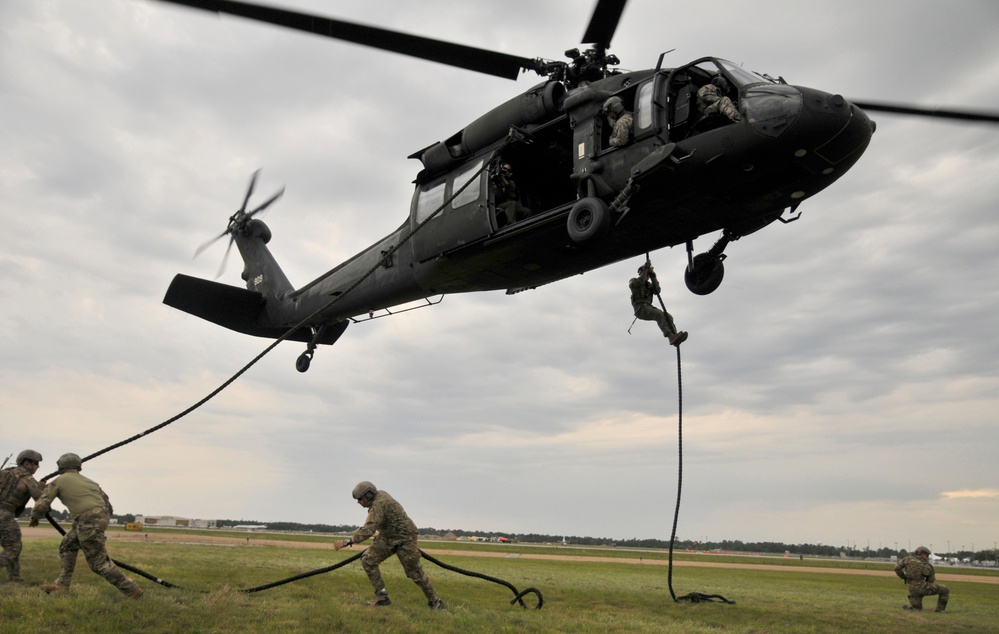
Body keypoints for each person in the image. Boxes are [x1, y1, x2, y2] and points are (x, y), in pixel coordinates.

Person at [29, 453, 142, 599]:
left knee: (98, 562)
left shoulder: (58, 481)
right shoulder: (90, 482)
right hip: (96, 516)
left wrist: (35, 517)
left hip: (87, 519)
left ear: (60, 466)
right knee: (67, 546)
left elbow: (42, 504)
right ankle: (62, 585)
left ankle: (131, 590)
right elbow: (107, 503)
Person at [334, 481, 444, 609]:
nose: (358, 502)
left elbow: (369, 529)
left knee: (414, 572)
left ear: (369, 496)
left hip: (405, 538)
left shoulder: (379, 505)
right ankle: (382, 596)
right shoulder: (378, 497)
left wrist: (348, 541)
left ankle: (436, 601)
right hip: (387, 537)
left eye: (360, 499)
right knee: (368, 560)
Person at [0, 450, 45, 582]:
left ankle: (14, 577)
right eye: (36, 463)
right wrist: (42, 488)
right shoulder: (27, 478)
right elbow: (40, 499)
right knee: (14, 547)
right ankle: (14, 576)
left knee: (12, 544)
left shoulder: (6, 473)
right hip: (4, 514)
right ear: (27, 463)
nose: (38, 467)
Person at [630, 261, 687, 346]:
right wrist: (646, 268)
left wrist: (653, 275)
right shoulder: (634, 281)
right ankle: (670, 336)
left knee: (668, 316)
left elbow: (657, 290)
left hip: (648, 307)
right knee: (659, 315)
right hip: (640, 308)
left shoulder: (648, 285)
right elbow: (641, 281)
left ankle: (674, 336)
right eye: (646, 274)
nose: (647, 276)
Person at [894, 546, 949, 611]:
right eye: (927, 555)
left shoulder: (907, 559)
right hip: (922, 587)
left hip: (911, 590)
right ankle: (940, 610)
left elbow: (897, 568)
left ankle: (913, 608)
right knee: (945, 589)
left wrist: (904, 577)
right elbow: (931, 581)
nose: (927, 557)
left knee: (917, 609)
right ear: (921, 554)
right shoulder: (927, 565)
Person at [492, 162, 531, 226]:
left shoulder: (509, 181)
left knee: (527, 211)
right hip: (496, 205)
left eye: (508, 170)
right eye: (504, 168)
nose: (506, 171)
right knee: (512, 203)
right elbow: (497, 194)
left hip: (507, 204)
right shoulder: (495, 179)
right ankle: (512, 225)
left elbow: (511, 187)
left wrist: (502, 176)